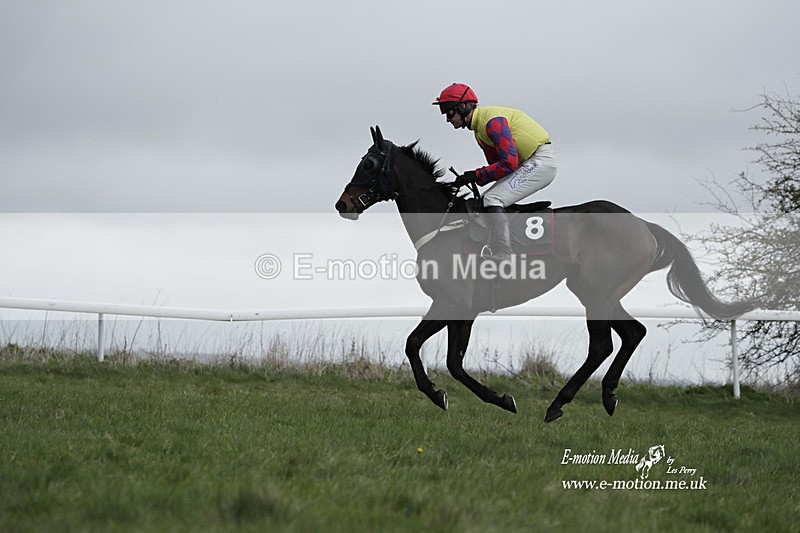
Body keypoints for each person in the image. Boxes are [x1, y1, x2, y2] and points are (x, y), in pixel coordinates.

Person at [432, 83, 557, 262]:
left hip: (540, 161)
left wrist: (474, 175)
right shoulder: (479, 132)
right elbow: (498, 168)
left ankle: (505, 252)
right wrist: (471, 177)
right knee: (486, 200)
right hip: (529, 162)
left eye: (449, 113)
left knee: (492, 199)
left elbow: (508, 164)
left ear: (463, 106)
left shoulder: (491, 122)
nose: (448, 119)